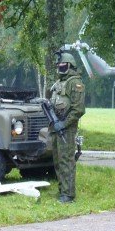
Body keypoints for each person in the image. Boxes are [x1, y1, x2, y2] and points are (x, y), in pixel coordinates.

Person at [50, 52, 86, 203]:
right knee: (58, 160)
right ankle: (62, 190)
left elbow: (79, 109)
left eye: (63, 64)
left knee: (66, 161)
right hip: (56, 126)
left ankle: (68, 194)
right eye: (58, 64)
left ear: (70, 65)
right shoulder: (59, 82)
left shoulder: (75, 82)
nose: (60, 67)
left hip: (67, 128)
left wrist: (64, 124)